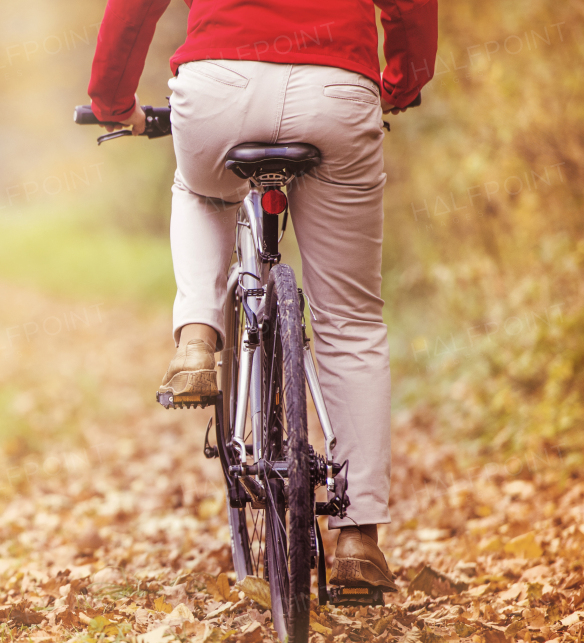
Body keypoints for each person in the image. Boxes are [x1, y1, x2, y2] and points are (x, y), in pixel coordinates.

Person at [88, 0, 437, 591]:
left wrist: (112, 102)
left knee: (200, 191)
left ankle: (198, 336)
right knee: (350, 320)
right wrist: (402, 81)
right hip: (337, 85)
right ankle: (359, 538)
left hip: (218, 85)